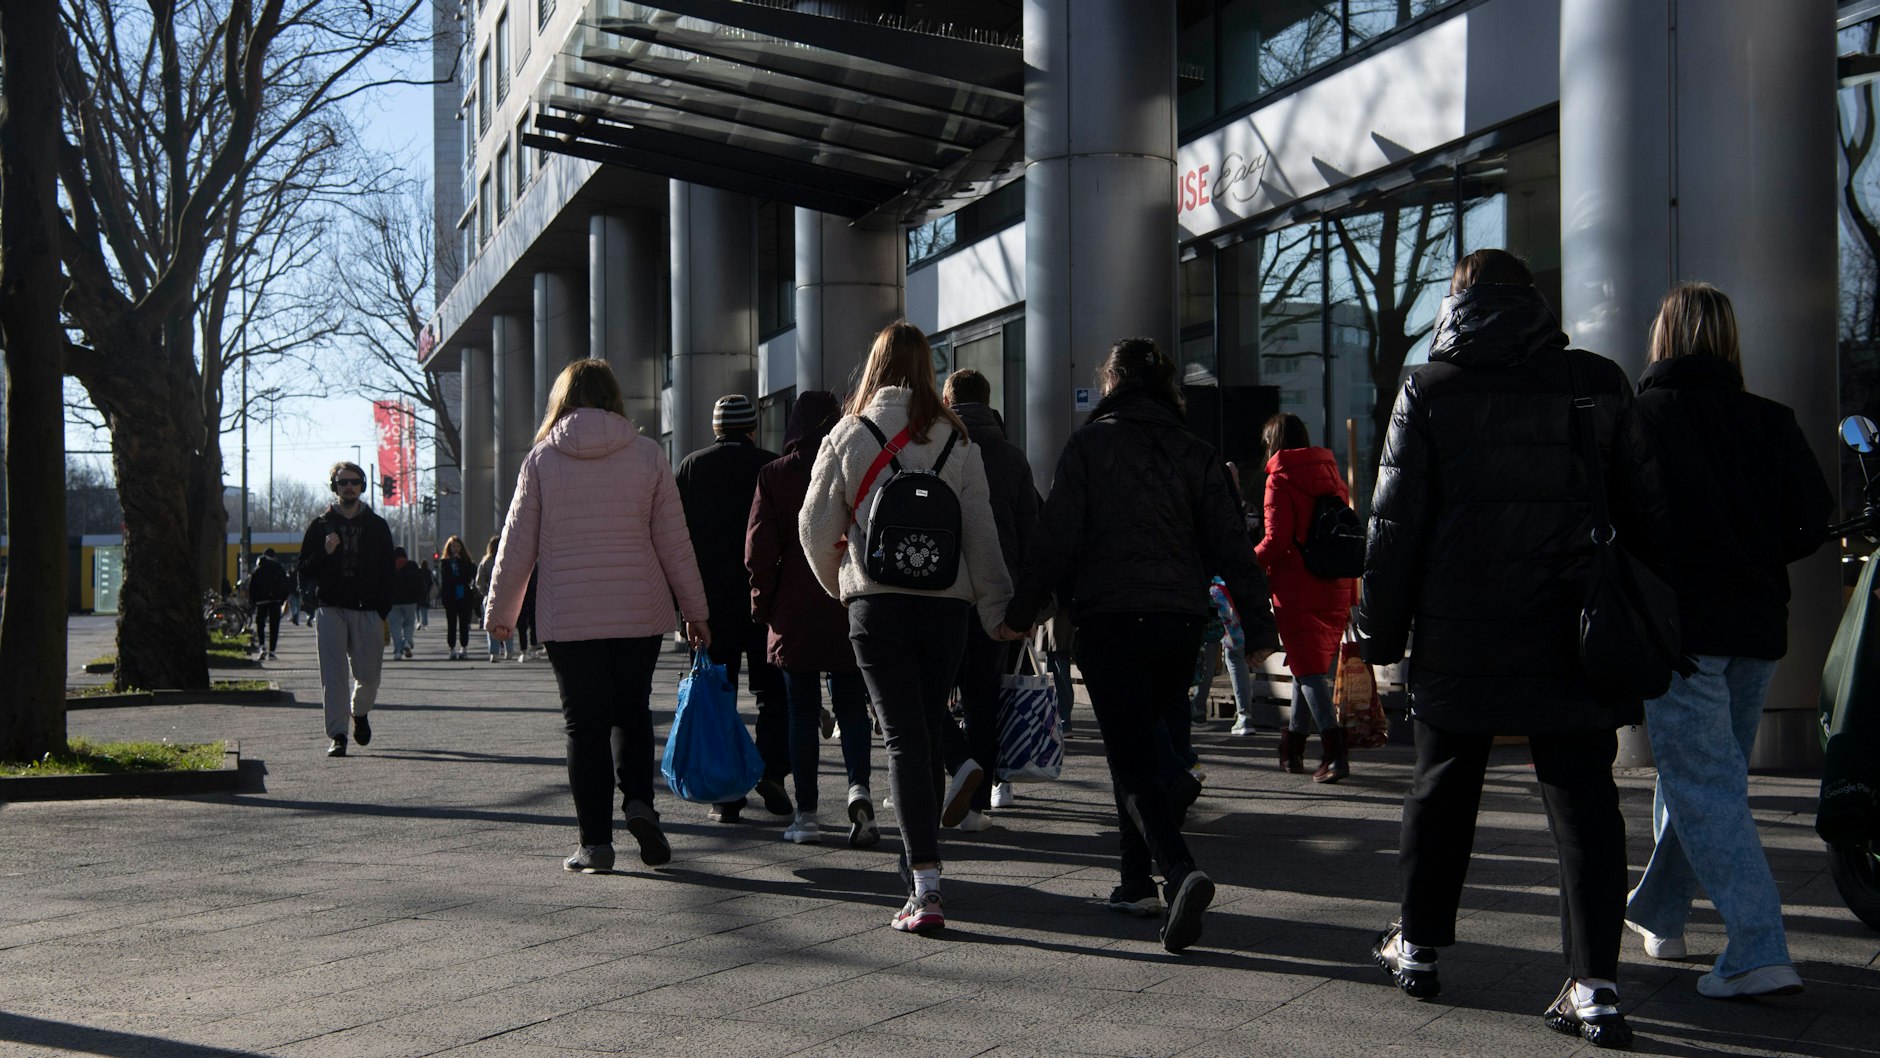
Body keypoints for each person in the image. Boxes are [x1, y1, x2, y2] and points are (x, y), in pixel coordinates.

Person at [1360, 249, 1671, 1049]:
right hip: (1574, 629)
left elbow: (1394, 530)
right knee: (1584, 803)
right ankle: (1593, 987)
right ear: (1534, 300)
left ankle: (1417, 945)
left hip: (1458, 630)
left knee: (1442, 786)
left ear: (1454, 302)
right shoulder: (1595, 381)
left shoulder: (1429, 389)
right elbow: (1647, 511)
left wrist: (1377, 634)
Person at [999, 337, 1278, 953]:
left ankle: (1179, 872)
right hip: (1179, 621)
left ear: (1112, 382)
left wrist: (1020, 614)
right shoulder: (1196, 451)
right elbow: (1233, 546)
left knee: (1129, 758)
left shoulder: (1090, 446)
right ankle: (1134, 882)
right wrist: (1260, 628)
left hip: (1112, 618)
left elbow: (1054, 539)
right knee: (1146, 747)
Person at [1624, 283, 1833, 999]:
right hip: (1756, 628)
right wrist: (1755, 552)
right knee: (1707, 780)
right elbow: (1810, 523)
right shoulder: (1770, 420)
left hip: (1681, 631)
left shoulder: (1639, 420)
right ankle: (1661, 915)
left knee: (1705, 784)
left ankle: (1757, 948)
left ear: (1663, 336)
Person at [801, 321, 1011, 934]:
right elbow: (982, 532)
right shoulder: (957, 439)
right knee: (927, 731)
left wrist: (843, 586)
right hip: (947, 608)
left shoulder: (848, 433)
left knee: (902, 739)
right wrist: (997, 610)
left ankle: (924, 885)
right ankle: (924, 873)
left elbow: (814, 527)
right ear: (927, 369)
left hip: (878, 608)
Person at [485, 358, 711, 873]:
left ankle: (596, 844)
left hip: (569, 616)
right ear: (614, 398)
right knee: (632, 712)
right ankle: (640, 804)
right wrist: (696, 611)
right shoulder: (648, 455)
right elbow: (674, 543)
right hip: (638, 611)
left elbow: (516, 544)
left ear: (562, 400)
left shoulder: (542, 459)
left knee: (584, 727)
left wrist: (501, 612)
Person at [747, 390, 879, 848]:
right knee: (851, 705)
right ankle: (859, 790)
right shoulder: (852, 463)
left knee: (800, 712)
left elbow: (759, 552)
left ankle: (806, 815)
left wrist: (762, 606)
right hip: (848, 601)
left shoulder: (775, 475)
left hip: (794, 610)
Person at [676, 393, 792, 823]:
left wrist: (685, 608)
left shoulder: (691, 468)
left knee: (716, 695)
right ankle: (773, 771)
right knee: (772, 694)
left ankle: (725, 795)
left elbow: (676, 538)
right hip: (764, 601)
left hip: (709, 605)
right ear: (752, 428)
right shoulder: (771, 465)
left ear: (715, 428)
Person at [938, 367, 1040, 826]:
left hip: (944, 591)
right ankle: (980, 801)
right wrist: (1029, 601)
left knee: (930, 692)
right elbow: (1030, 532)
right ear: (988, 400)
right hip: (998, 594)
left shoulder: (938, 448)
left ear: (947, 400)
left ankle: (949, 773)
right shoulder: (1013, 457)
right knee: (984, 697)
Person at [1255, 412, 1360, 781]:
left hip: (1298, 588)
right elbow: (1344, 537)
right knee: (1305, 666)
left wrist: (1244, 564)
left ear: (1274, 442)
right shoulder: (1332, 475)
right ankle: (1293, 749)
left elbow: (1276, 540)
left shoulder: (1280, 479)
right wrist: (1351, 596)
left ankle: (1335, 753)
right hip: (1335, 586)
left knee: (1309, 671)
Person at [297, 461, 397, 758]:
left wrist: (383, 608)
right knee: (334, 675)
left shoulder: (377, 526)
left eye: (354, 482)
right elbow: (304, 568)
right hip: (330, 608)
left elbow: (388, 570)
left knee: (369, 676)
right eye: (343, 482)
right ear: (335, 487)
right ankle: (338, 735)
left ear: (362, 486)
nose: (349, 487)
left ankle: (359, 712)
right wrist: (325, 552)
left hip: (368, 609)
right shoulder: (319, 526)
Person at [247, 548, 291, 660]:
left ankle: (262, 646)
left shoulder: (258, 569)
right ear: (273, 556)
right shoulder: (278, 567)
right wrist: (283, 598)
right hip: (275, 600)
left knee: (260, 624)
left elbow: (252, 587)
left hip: (261, 601)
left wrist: (253, 601)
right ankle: (272, 651)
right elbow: (286, 584)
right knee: (274, 625)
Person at [437, 536, 476, 660]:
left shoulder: (466, 561)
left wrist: (462, 562)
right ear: (449, 547)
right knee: (451, 623)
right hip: (451, 596)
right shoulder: (445, 563)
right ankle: (452, 647)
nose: (456, 549)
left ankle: (464, 647)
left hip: (463, 595)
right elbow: (446, 580)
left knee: (464, 623)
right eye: (453, 546)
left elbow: (470, 576)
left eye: (458, 546)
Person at [388, 547, 426, 661]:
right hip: (410, 601)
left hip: (393, 602)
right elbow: (420, 582)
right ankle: (407, 642)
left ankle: (398, 651)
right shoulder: (412, 565)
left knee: (395, 627)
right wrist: (420, 596)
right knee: (409, 623)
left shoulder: (389, 566)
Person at [476, 535, 508, 661]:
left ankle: (494, 652)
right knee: (506, 624)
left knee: (491, 625)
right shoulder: (507, 560)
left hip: (490, 597)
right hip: (506, 596)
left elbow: (479, 581)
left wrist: (485, 591)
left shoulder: (485, 562)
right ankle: (509, 650)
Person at [416, 560, 434, 630]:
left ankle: (418, 623)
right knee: (425, 610)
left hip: (418, 593)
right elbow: (431, 583)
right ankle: (424, 624)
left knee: (417, 610)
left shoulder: (418, 572)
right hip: (425, 593)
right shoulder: (429, 572)